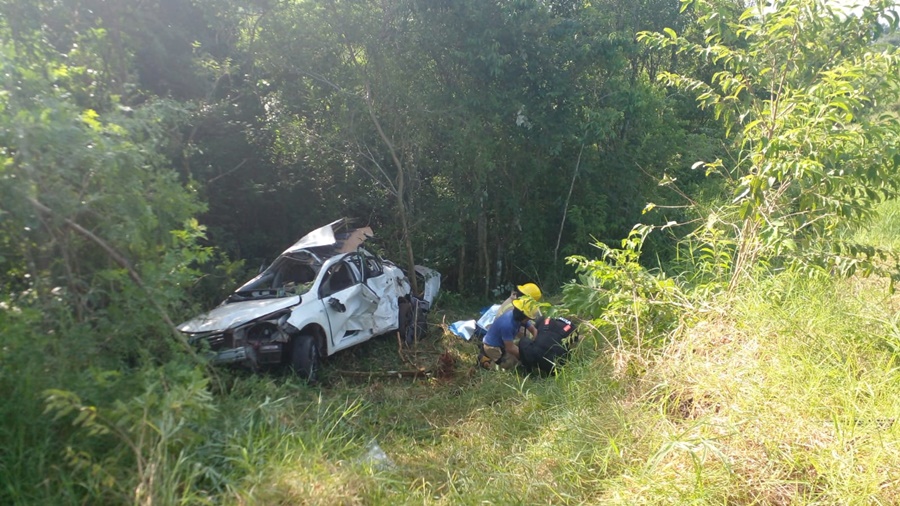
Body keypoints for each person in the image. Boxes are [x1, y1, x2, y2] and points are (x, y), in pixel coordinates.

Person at [479, 298, 538, 370]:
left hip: (503, 343)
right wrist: (525, 358)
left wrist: (535, 342)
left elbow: (533, 330)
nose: (528, 320)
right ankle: (485, 361)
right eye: (528, 318)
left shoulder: (518, 317)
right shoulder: (507, 325)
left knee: (521, 347)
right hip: (492, 347)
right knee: (512, 365)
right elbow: (510, 348)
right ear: (522, 316)